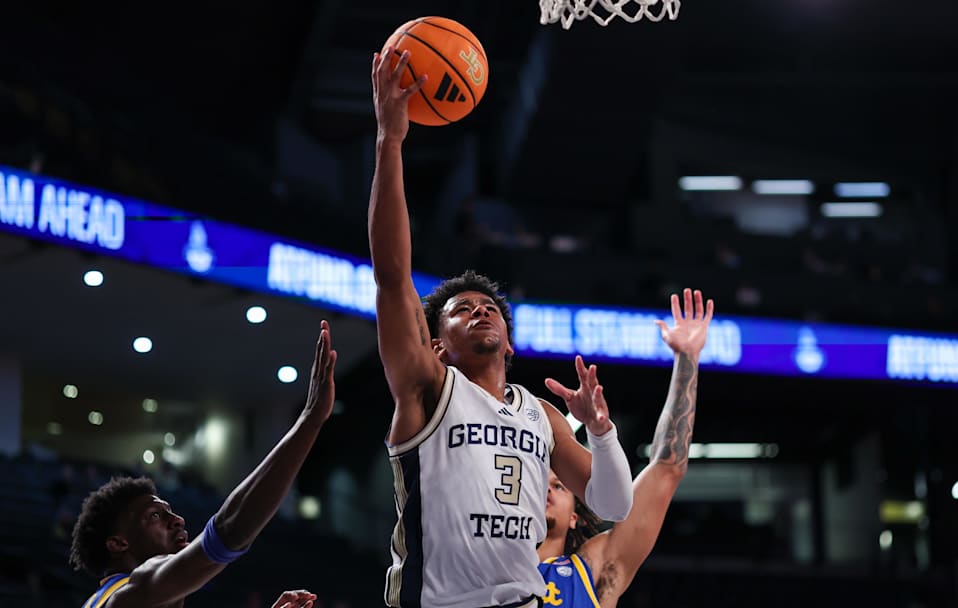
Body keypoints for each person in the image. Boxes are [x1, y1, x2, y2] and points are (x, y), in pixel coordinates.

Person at [369, 47, 635, 608]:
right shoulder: (429, 389)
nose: (481, 310)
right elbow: (393, 278)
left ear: (509, 342)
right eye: (461, 308)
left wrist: (601, 432)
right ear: (436, 344)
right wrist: (389, 142)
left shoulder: (539, 411)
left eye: (488, 307)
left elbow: (612, 505)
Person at [69, 321, 337, 608]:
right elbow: (229, 530)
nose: (178, 520)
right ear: (119, 543)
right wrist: (309, 421)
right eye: (155, 516)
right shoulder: (132, 591)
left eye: (169, 511)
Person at [537, 289, 713, 608]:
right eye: (538, 484)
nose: (547, 491)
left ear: (575, 516)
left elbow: (667, 467)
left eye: (560, 486)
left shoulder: (594, 569)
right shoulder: (480, 564)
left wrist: (687, 359)